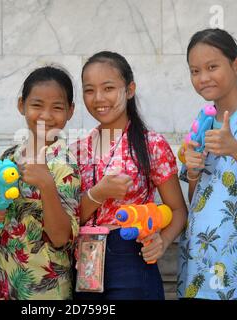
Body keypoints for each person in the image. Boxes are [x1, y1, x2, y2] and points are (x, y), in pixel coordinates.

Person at [73, 51, 188, 300]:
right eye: (89, 90)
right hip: (83, 263)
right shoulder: (77, 150)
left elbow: (178, 210)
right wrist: (97, 194)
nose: (99, 98)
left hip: (132, 258)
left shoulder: (151, 145)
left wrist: (163, 241)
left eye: (109, 88)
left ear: (130, 89)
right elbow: (71, 217)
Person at [177, 28, 237, 300]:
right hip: (199, 262)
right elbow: (197, 199)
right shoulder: (202, 118)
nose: (203, 78)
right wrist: (193, 171)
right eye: (195, 71)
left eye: (212, 67)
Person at [0, 66, 80, 300]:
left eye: (57, 108)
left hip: (42, 290)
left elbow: (60, 238)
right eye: (37, 105)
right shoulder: (9, 157)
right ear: (21, 105)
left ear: (70, 111)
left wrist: (46, 184)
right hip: (2, 281)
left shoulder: (64, 164)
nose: (46, 115)